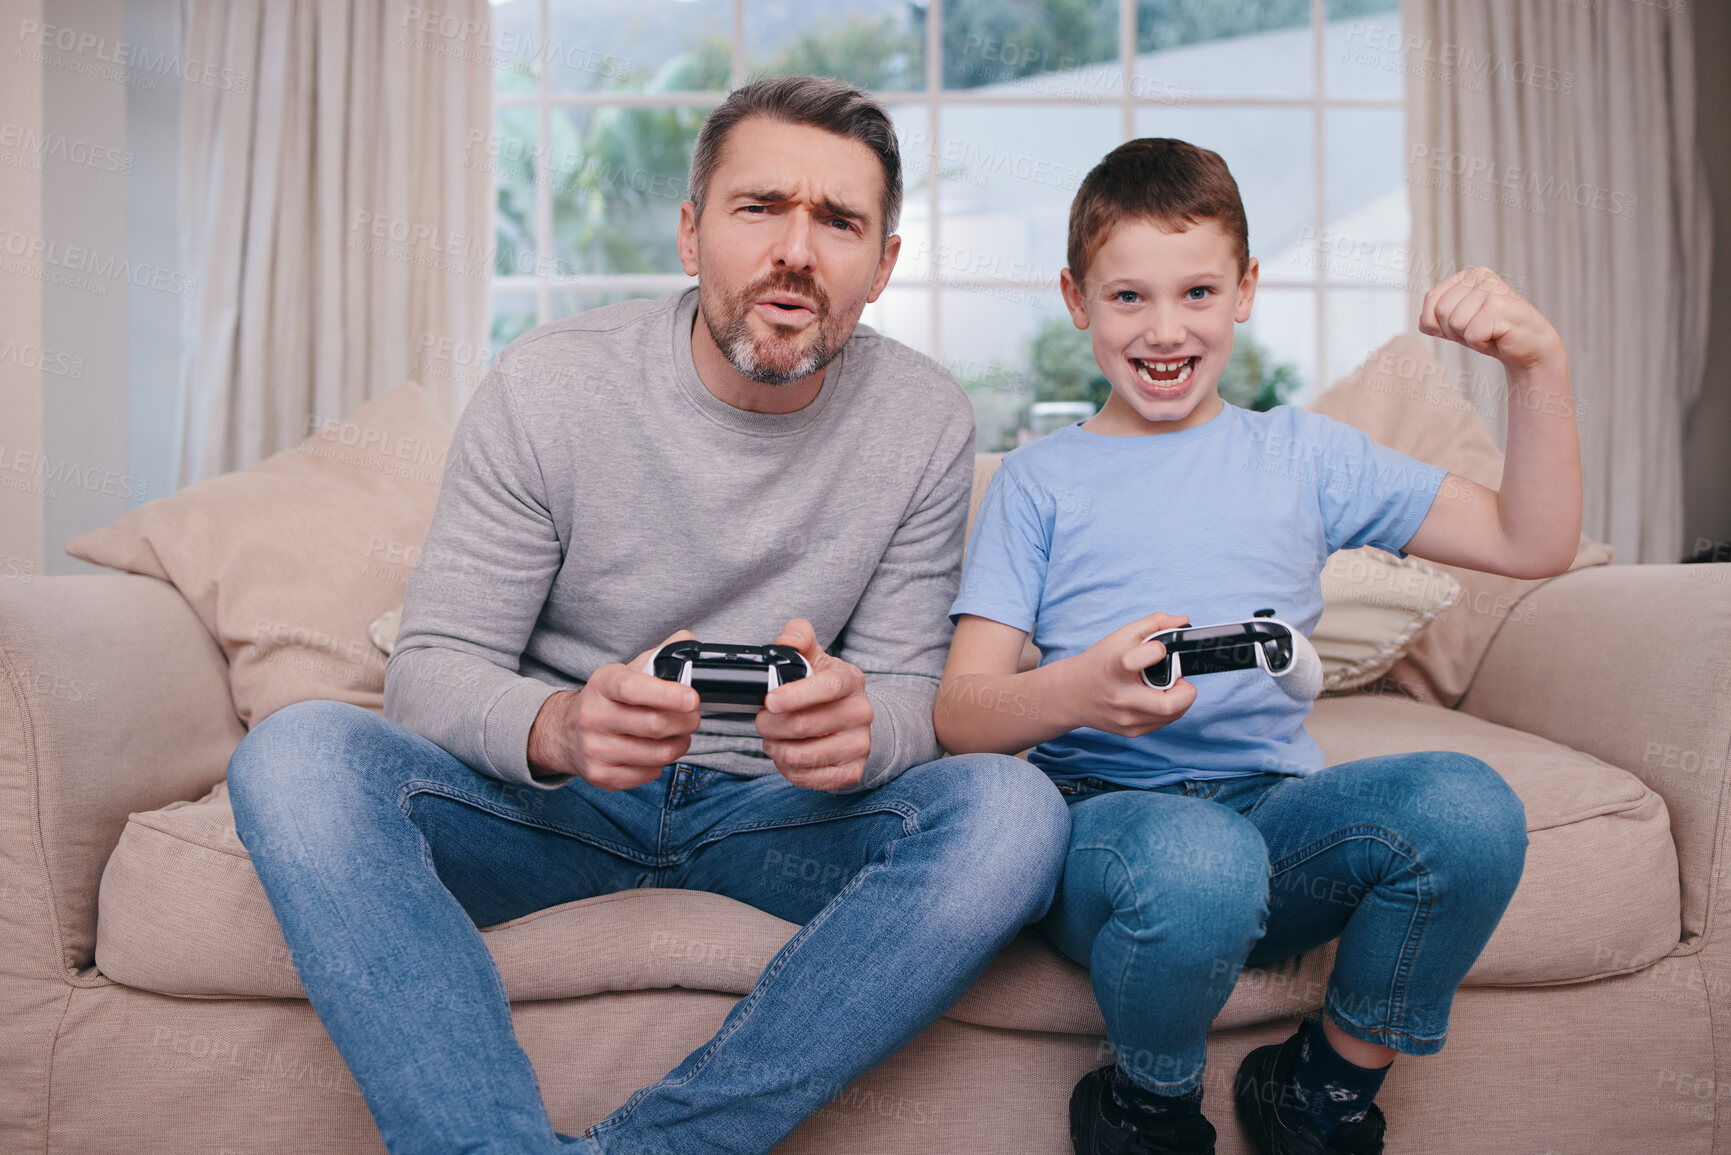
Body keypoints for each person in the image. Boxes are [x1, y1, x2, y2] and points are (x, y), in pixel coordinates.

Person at [225, 75, 1070, 1155]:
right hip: (554, 812)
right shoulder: (549, 386)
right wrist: (563, 726)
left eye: (839, 221)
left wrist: (863, 729)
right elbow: (433, 665)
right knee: (297, 753)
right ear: (691, 233)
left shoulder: (924, 417)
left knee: (1014, 811)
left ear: (883, 265)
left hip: (777, 821)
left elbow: (912, 696)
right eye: (758, 208)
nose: (796, 252)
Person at [936, 138, 1581, 1155]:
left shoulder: (1305, 458)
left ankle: (1320, 1092)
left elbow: (1530, 542)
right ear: (1075, 299)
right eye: (1127, 298)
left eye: (1197, 291)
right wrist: (1078, 692)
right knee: (1201, 861)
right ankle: (1146, 1106)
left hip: (1276, 818)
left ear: (1245, 290)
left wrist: (1535, 367)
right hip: (1105, 832)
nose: (1164, 329)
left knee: (1469, 808)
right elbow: (962, 712)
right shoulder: (1037, 482)